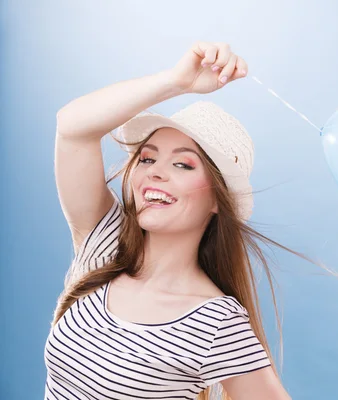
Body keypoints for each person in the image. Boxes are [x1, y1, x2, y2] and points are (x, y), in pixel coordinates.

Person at [45, 41, 298, 400]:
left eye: (182, 164)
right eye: (147, 159)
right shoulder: (103, 248)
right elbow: (71, 127)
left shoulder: (217, 323)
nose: (156, 174)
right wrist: (175, 82)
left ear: (217, 199)